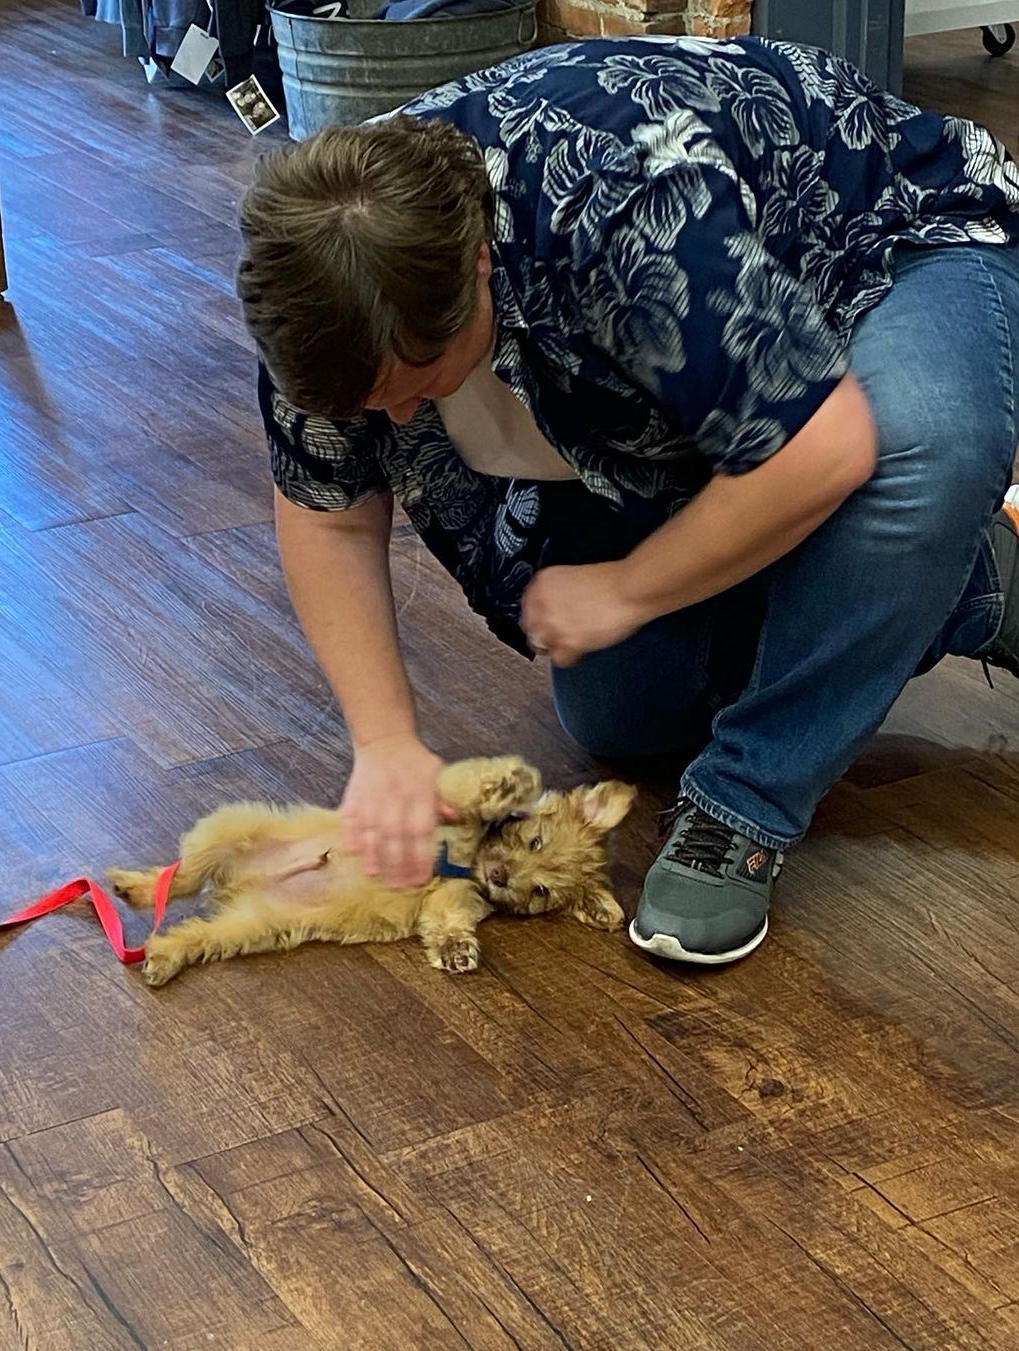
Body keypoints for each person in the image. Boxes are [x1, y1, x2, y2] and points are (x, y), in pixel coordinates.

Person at [236, 35, 1019, 965]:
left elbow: (824, 445)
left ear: (478, 271)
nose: (400, 415)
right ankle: (969, 583)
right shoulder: (316, 279)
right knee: (624, 715)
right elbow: (329, 510)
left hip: (895, 240)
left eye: (417, 378)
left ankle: (745, 803)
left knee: (917, 445)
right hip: (707, 363)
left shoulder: (621, 211)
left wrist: (632, 586)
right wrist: (384, 742)